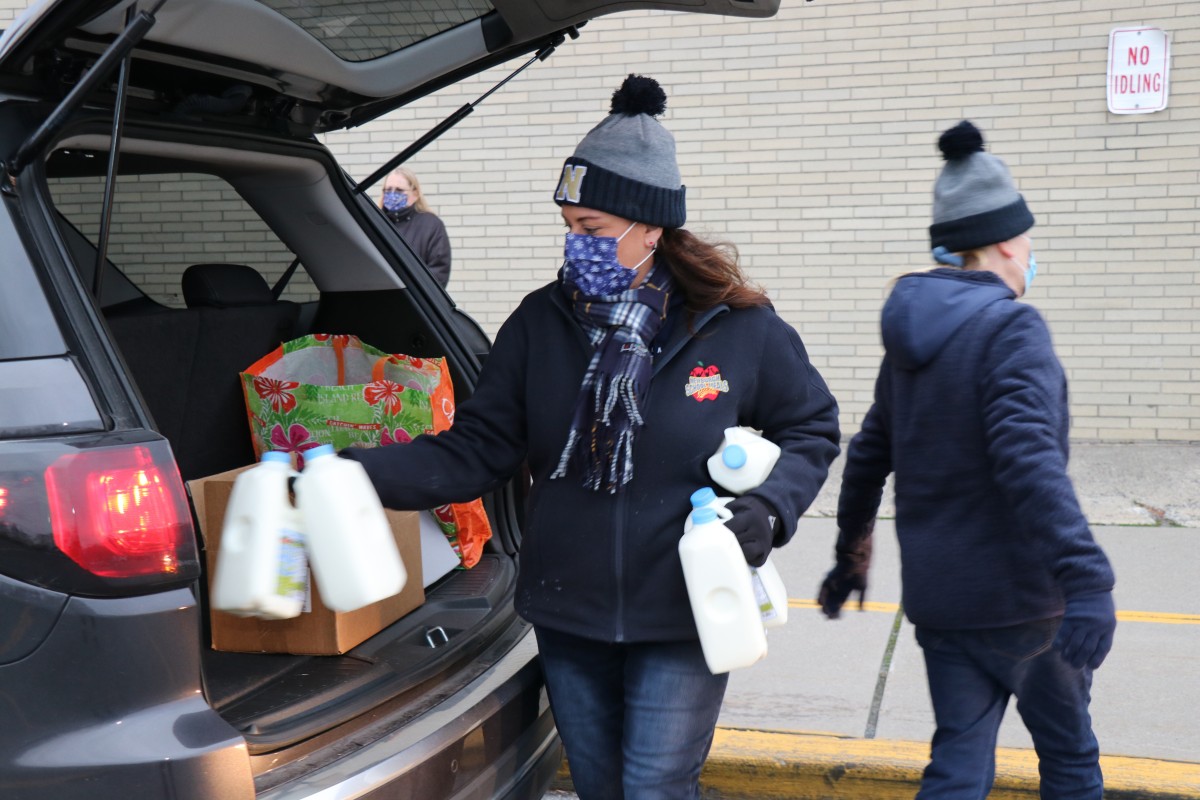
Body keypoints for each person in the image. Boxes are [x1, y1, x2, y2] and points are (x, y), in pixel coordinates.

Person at [343, 74, 840, 799]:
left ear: (651, 228)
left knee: (654, 785)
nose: (576, 246)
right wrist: (349, 474)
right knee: (603, 787)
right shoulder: (539, 325)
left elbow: (812, 427)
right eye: (569, 228)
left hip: (682, 607)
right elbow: (475, 451)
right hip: (568, 611)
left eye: (593, 231)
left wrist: (769, 509)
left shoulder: (739, 331)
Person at [818, 120, 1117, 800]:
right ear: (1007, 241)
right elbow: (1027, 460)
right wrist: (1088, 579)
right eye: (1028, 239)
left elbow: (868, 455)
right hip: (1025, 605)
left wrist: (849, 555)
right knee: (1069, 762)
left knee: (957, 765)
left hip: (944, 603)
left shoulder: (910, 336)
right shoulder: (1012, 327)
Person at [380, 166, 452, 287]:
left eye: (399, 190)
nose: (392, 194)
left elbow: (439, 271)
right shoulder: (377, 222)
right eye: (388, 190)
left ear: (415, 194)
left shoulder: (431, 225)